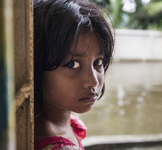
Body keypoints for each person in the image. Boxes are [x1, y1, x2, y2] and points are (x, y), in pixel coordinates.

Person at [33, 0, 114, 149]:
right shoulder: (53, 142)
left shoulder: (59, 123)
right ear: (37, 67)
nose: (93, 81)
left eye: (98, 62)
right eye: (73, 64)